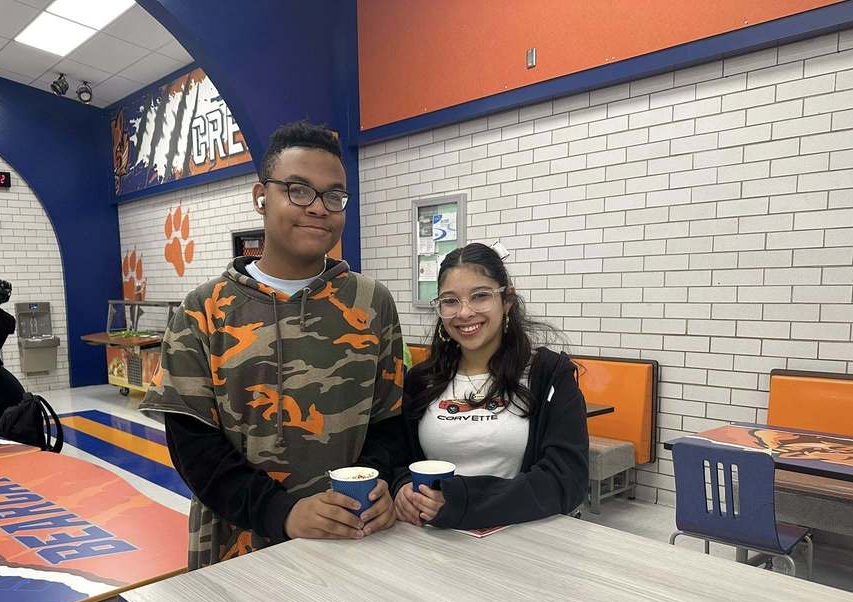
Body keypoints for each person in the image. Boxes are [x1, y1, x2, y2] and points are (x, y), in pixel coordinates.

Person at [141, 121, 406, 569]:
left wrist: (382, 483)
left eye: (334, 195)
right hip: (236, 547)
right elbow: (193, 447)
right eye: (299, 190)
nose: (319, 208)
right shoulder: (204, 310)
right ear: (261, 196)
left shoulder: (371, 302)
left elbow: (390, 422)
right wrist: (282, 513)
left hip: (353, 536)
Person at [393, 243, 589, 530]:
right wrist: (401, 487)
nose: (464, 312)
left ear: (507, 300)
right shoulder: (421, 381)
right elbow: (397, 456)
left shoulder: (548, 374)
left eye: (480, 296)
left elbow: (566, 479)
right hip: (435, 541)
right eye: (450, 301)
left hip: (525, 538)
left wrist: (464, 501)